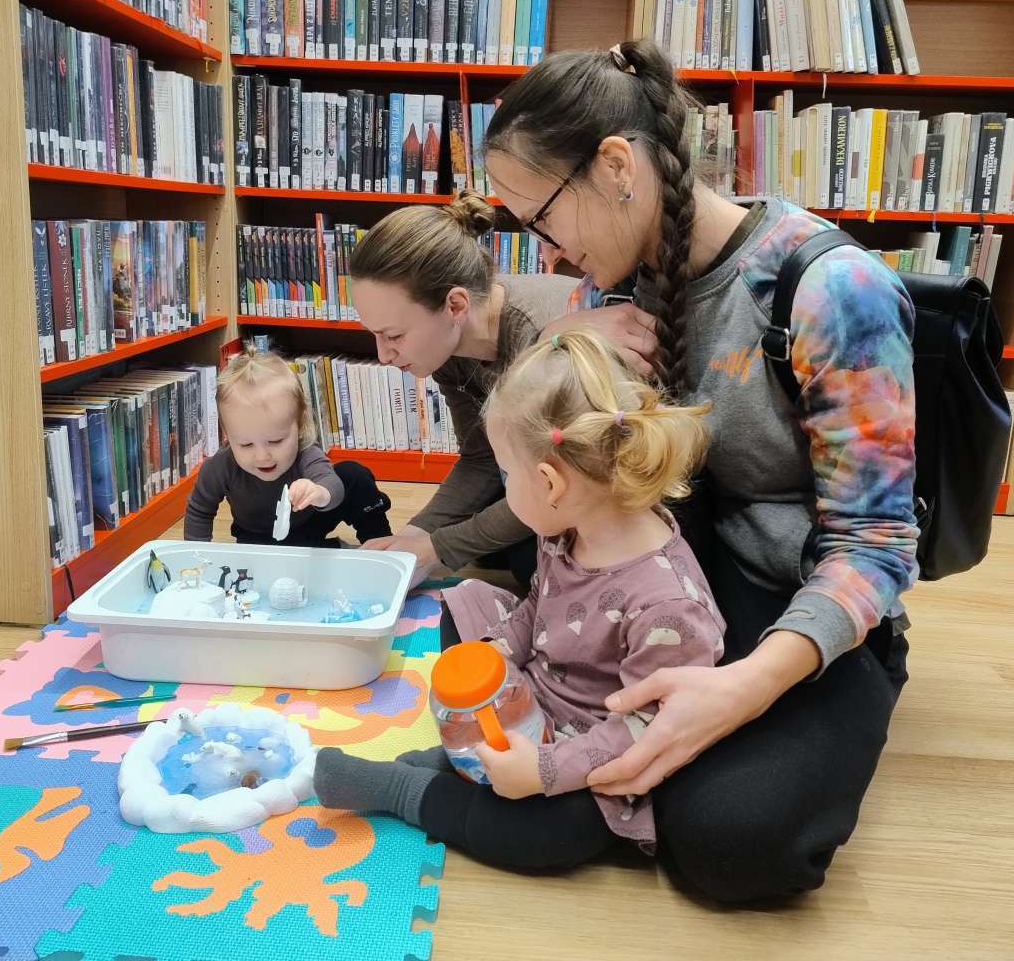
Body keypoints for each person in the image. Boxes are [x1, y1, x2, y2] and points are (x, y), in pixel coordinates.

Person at [474, 39, 919, 904]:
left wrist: (743, 690)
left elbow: (875, 544)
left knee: (731, 841)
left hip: (793, 597)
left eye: (542, 220)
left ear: (617, 167)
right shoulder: (618, 281)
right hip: (672, 573)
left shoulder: (833, 291)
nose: (549, 255)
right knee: (524, 541)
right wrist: (566, 342)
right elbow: (544, 455)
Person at [315, 330, 723, 870]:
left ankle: (403, 790)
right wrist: (498, 653)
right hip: (535, 696)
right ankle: (465, 758)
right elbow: (536, 607)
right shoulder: (567, 530)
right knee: (465, 602)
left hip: (595, 752)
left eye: (506, 475)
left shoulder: (668, 608)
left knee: (549, 833)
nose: (503, 487)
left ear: (550, 483)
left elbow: (649, 732)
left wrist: (543, 771)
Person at [350, 193, 574, 590]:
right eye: (374, 335)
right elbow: (480, 456)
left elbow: (554, 486)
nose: (383, 356)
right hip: (539, 481)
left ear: (455, 306)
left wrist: (437, 548)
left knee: (532, 561)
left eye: (394, 335)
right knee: (485, 543)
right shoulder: (449, 347)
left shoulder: (538, 339)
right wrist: (415, 537)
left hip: (584, 486)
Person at [183, 348, 392, 546]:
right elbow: (199, 510)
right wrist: (195, 556)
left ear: (300, 425)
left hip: (309, 523)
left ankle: (381, 544)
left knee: (353, 474)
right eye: (246, 444)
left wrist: (318, 492)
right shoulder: (220, 466)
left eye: (276, 441)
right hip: (258, 541)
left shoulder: (305, 452)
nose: (262, 456)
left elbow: (332, 485)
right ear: (227, 434)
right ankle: (326, 549)